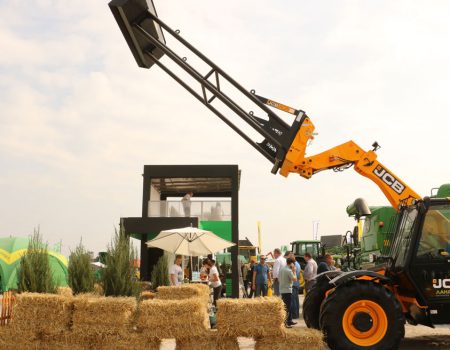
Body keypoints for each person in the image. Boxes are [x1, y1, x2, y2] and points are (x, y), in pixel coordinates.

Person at [279, 257, 297, 327]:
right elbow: (295, 279)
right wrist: (294, 271)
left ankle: (289, 321)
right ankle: (286, 322)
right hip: (287, 290)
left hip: (282, 289)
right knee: (288, 307)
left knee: (286, 306)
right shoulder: (289, 271)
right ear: (291, 263)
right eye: (294, 263)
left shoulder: (282, 269)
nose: (294, 265)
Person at [285, 251, 301, 319]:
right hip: (296, 284)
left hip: (293, 284)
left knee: (293, 300)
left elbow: (293, 275)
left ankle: (294, 315)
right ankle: (296, 314)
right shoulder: (298, 264)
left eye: (290, 257)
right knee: (296, 300)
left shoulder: (294, 265)